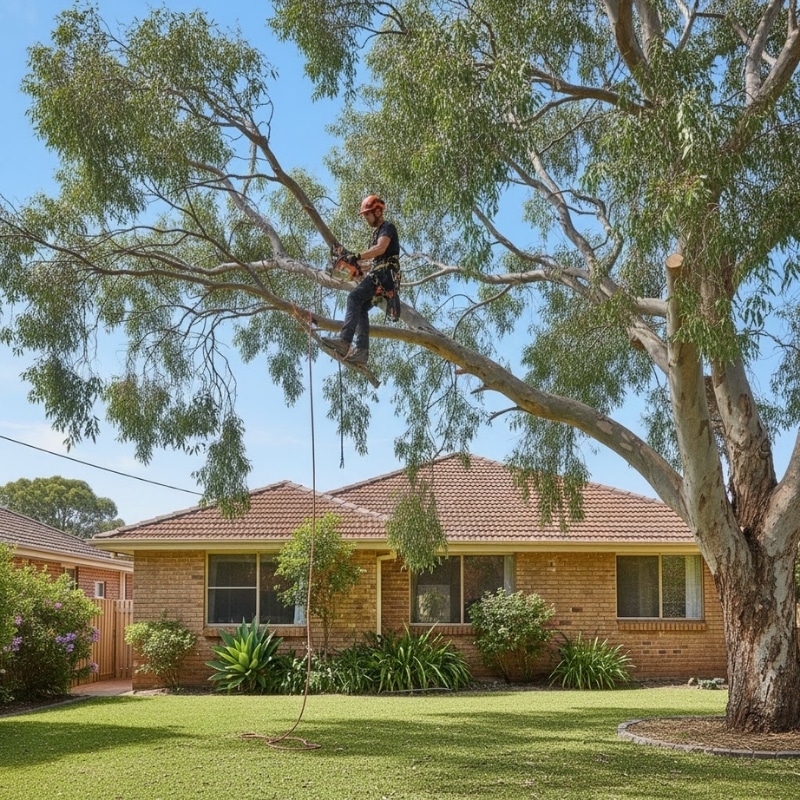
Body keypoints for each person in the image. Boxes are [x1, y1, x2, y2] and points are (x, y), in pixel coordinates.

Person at [321, 195, 400, 365]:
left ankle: (344, 341)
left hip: (384, 275)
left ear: (377, 211)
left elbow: (380, 249)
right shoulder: (376, 233)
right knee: (362, 308)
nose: (365, 218)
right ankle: (362, 352)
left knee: (353, 297)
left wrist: (356, 255)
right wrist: (351, 265)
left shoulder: (387, 227)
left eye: (367, 215)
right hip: (380, 275)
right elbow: (372, 261)